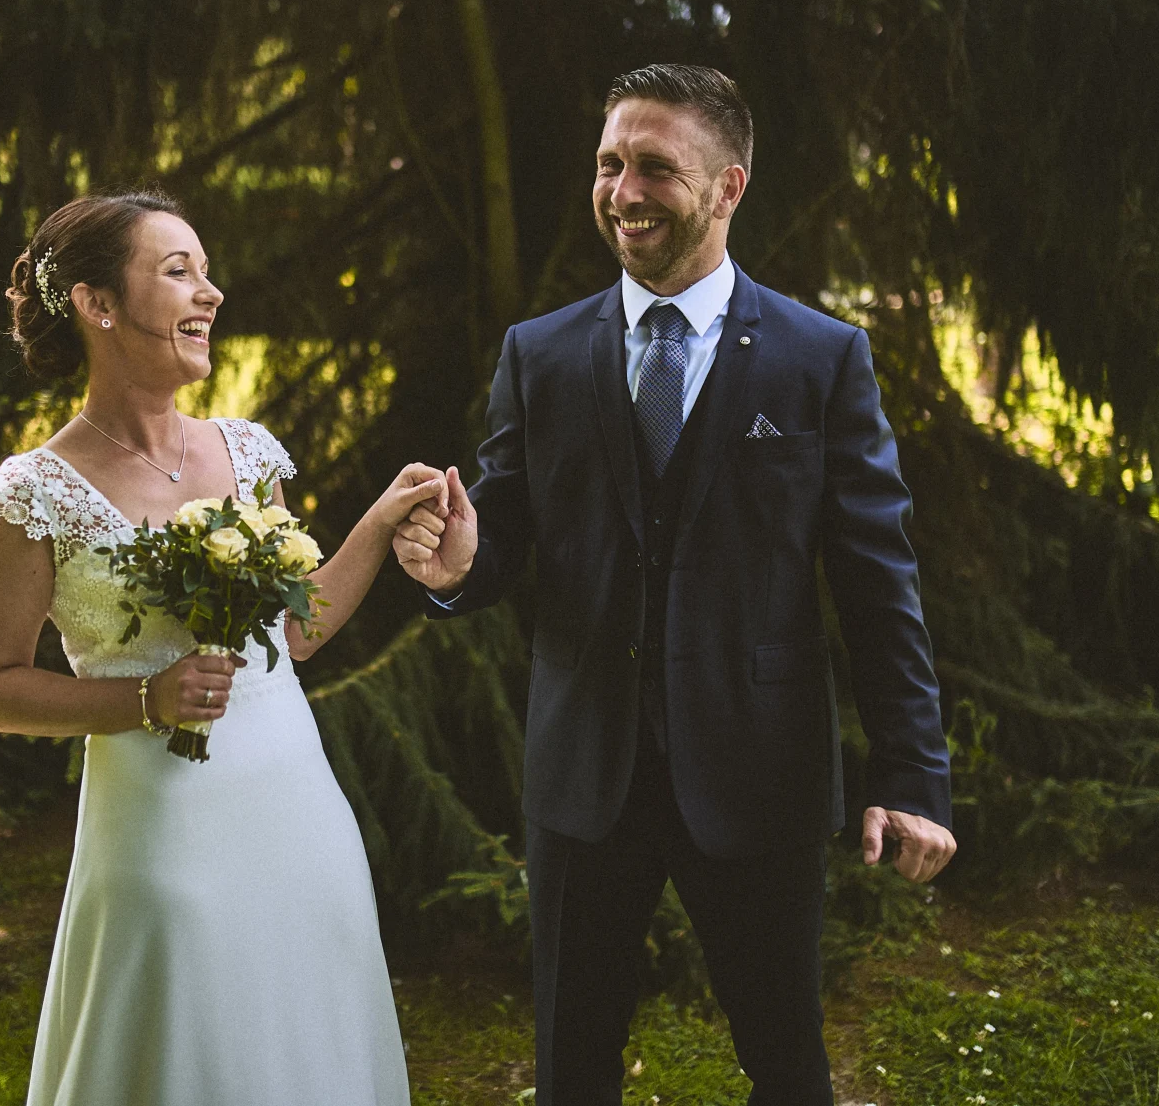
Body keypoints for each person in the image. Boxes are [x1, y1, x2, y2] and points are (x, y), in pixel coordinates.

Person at [393, 65, 956, 1105]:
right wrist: (457, 566)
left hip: (758, 771)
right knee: (571, 1069)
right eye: (608, 164)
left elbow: (877, 581)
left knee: (786, 1065)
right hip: (583, 777)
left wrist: (912, 778)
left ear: (728, 187)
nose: (622, 191)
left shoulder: (818, 358)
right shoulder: (541, 354)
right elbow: (502, 535)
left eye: (655, 167)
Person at [0, 187, 431, 1106]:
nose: (209, 293)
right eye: (178, 272)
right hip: (160, 830)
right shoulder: (32, 492)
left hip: (299, 810)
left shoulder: (249, 453)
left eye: (206, 271)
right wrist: (145, 699)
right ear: (98, 303)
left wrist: (381, 517)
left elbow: (292, 633)